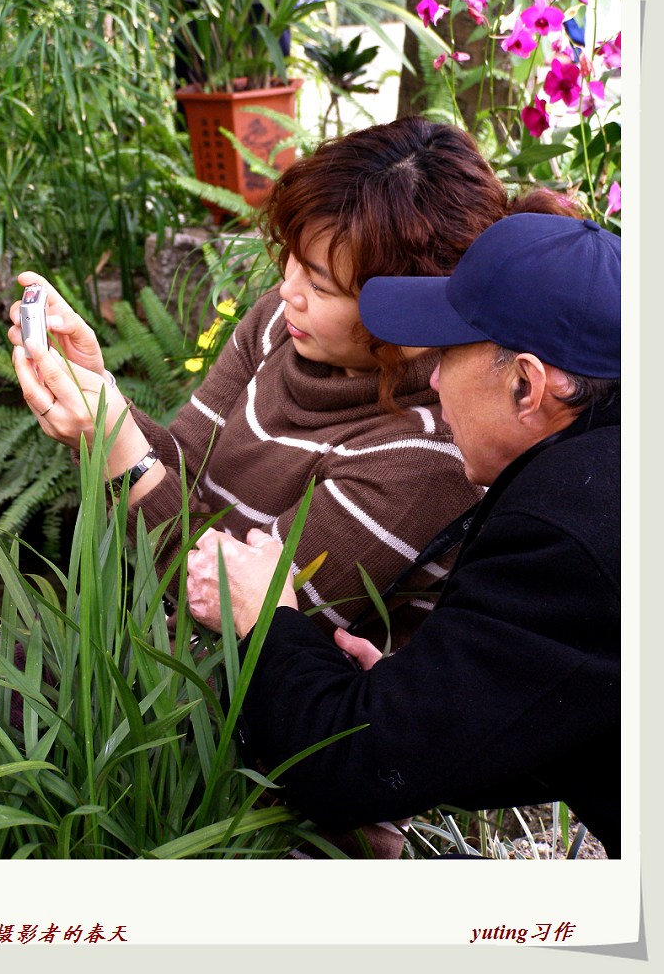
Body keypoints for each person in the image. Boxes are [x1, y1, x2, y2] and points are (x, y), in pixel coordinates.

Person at [9, 118, 580, 652]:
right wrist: (99, 395)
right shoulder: (282, 328)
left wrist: (116, 446)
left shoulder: (426, 455)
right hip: (152, 638)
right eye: (293, 260)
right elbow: (180, 463)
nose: (288, 290)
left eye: (322, 284)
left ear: (409, 303)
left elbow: (232, 627)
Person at [185, 212, 622, 859]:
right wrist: (404, 703)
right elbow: (568, 707)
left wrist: (262, 613)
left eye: (447, 355)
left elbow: (343, 767)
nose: (435, 380)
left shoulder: (561, 534)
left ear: (526, 384)